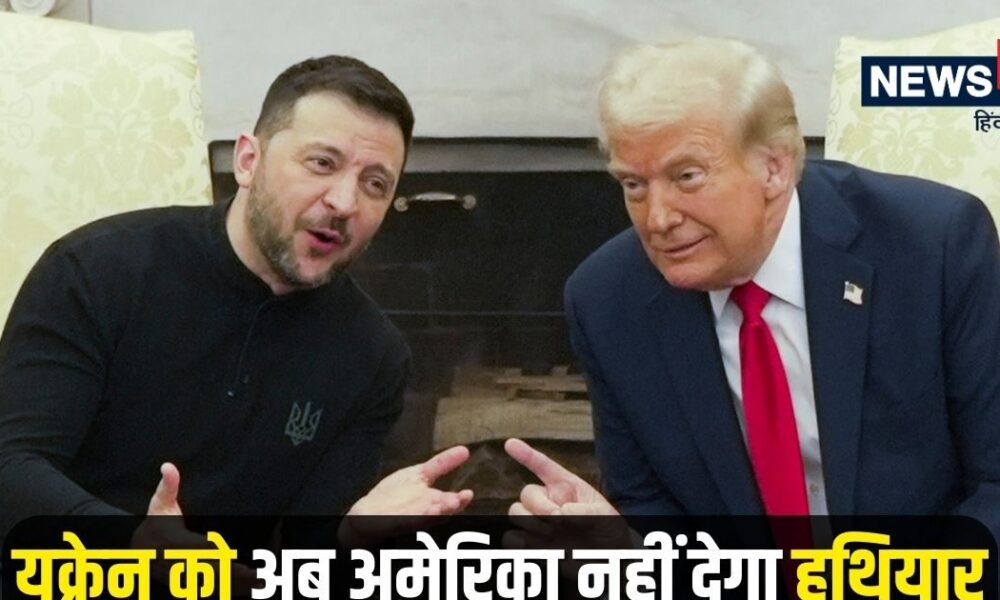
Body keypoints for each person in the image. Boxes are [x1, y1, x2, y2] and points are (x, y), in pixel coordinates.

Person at [507, 37, 1000, 540]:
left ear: (773, 168)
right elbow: (649, 507)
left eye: (687, 177)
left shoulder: (931, 247)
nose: (657, 219)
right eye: (634, 185)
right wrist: (626, 553)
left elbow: (994, 486)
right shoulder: (608, 301)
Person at [0, 55, 472, 544]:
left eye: (375, 184)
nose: (344, 203)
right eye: (322, 163)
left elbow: (303, 552)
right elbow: (11, 467)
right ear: (248, 161)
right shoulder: (97, 270)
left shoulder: (373, 356)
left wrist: (350, 533)